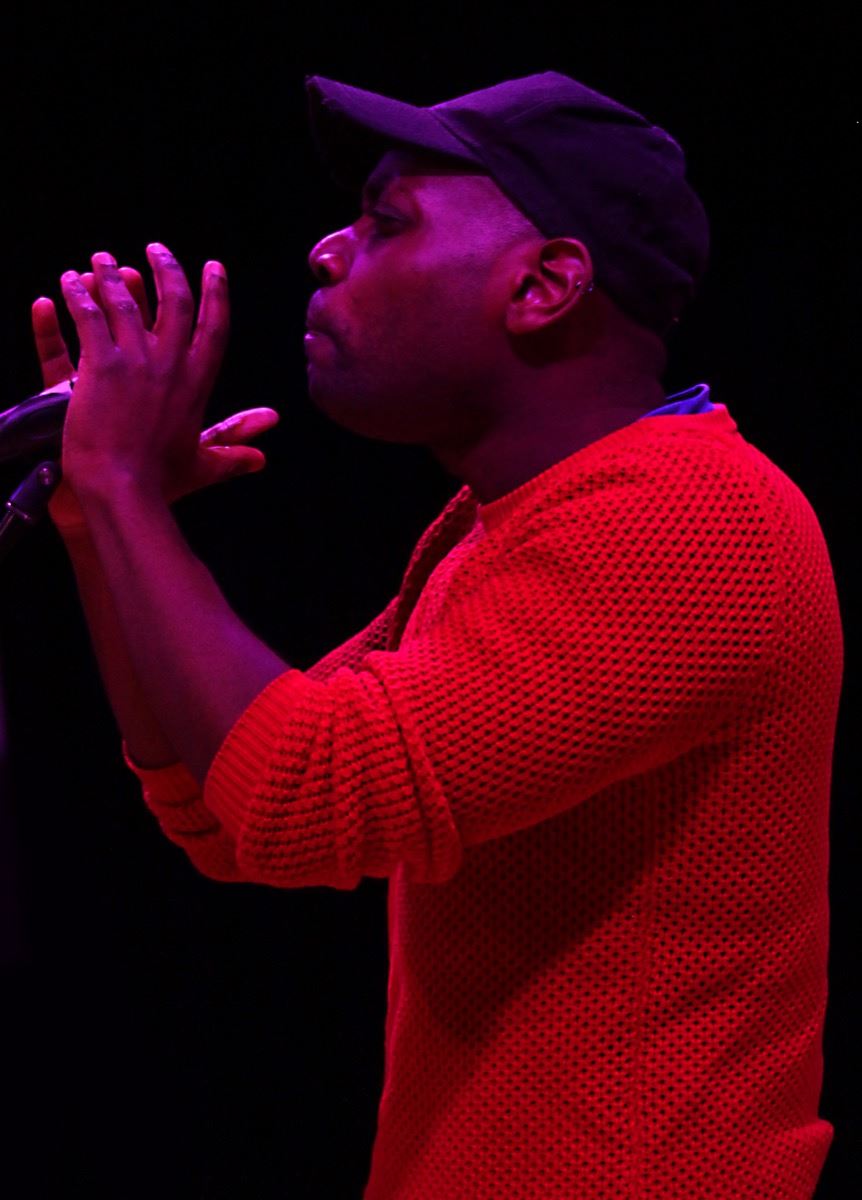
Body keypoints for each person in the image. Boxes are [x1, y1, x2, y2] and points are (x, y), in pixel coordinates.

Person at [31, 71, 844, 1199]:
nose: (326, 251)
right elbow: (228, 809)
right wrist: (100, 517)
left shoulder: (689, 520)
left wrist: (124, 487)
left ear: (544, 284)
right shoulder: (509, 521)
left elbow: (301, 797)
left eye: (387, 222)